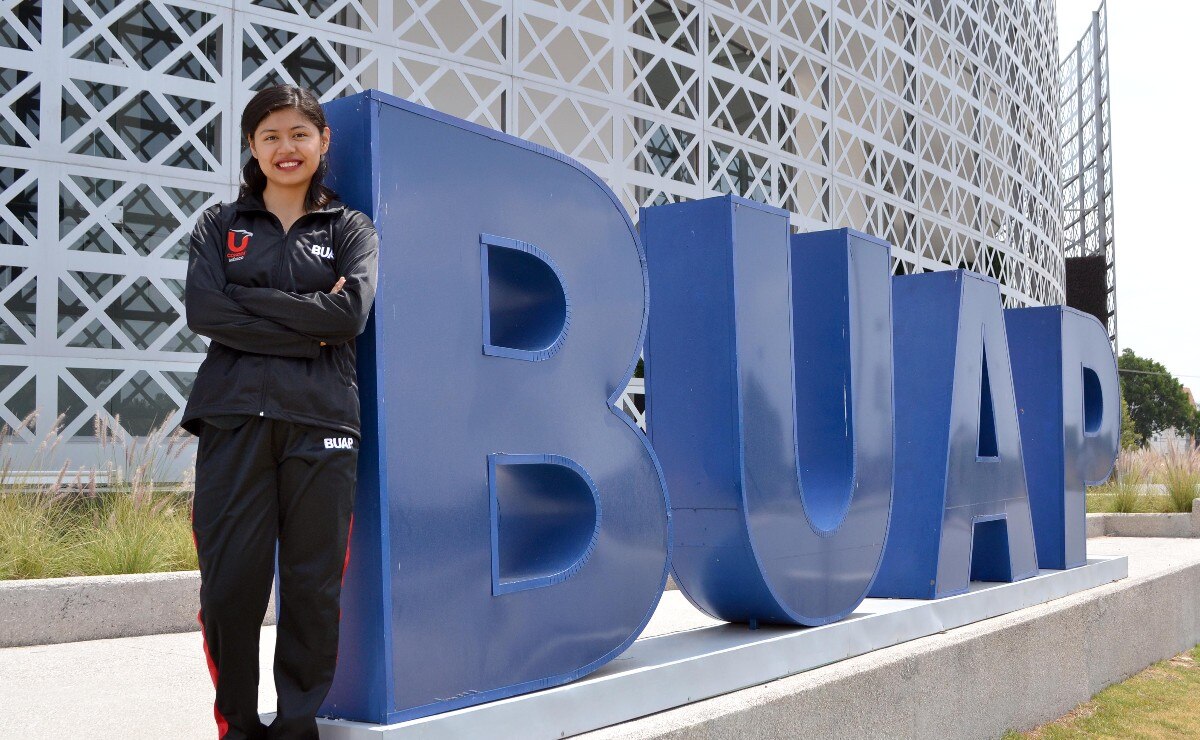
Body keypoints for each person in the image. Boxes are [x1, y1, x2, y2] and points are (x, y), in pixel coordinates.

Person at [181, 84, 379, 740]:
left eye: (299, 133)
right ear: (252, 148)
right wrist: (310, 320)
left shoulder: (350, 230)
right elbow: (205, 312)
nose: (285, 147)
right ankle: (239, 728)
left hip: (323, 424)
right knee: (230, 589)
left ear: (323, 143)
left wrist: (252, 301)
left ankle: (297, 729)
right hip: (233, 418)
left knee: (312, 590)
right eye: (270, 136)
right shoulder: (219, 226)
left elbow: (351, 315)